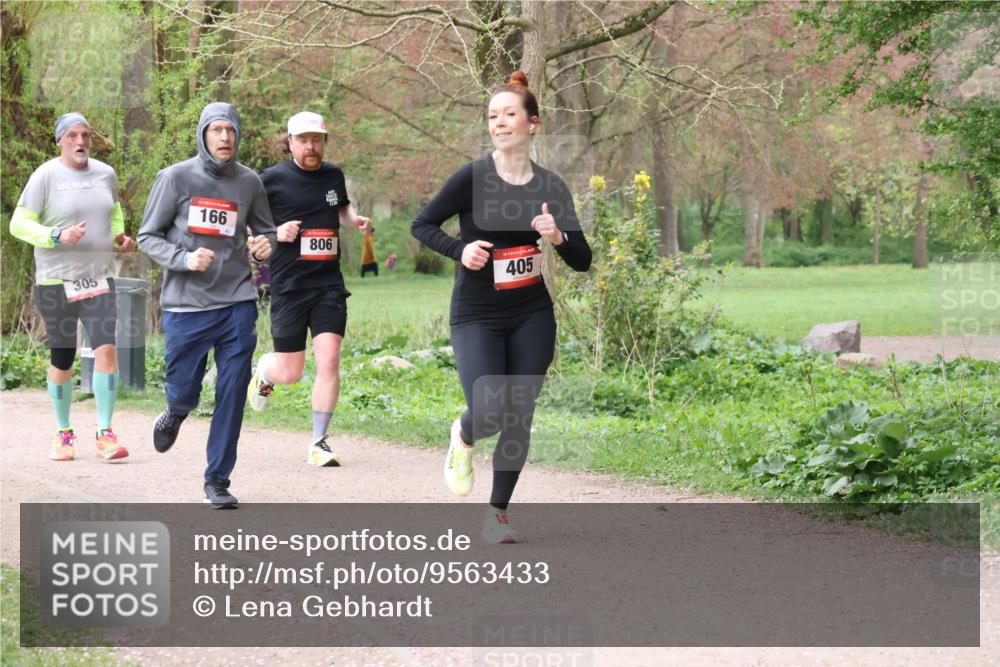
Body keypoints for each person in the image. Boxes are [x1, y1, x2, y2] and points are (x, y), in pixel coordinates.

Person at [411, 72, 592, 542]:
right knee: (489, 411)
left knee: (520, 413)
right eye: (492, 116)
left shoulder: (550, 185)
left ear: (532, 124)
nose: (499, 123)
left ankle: (497, 513)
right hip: (477, 313)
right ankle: (465, 435)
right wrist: (459, 250)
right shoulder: (472, 177)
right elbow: (423, 223)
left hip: (531, 311)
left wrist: (557, 237)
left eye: (509, 114)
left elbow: (582, 259)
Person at [138, 102, 276, 508]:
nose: (225, 138)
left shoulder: (250, 182)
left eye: (231, 130)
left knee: (232, 391)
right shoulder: (175, 178)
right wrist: (184, 259)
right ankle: (176, 411)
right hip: (186, 305)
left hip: (237, 300)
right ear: (203, 134)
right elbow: (148, 236)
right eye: (216, 130)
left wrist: (266, 246)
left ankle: (217, 479)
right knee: (185, 391)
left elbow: (266, 230)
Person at [247, 111, 372, 467]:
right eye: (303, 140)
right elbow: (247, 223)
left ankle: (319, 442)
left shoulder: (333, 175)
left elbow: (341, 210)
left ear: (324, 142)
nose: (311, 146)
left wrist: (354, 221)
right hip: (289, 285)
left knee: (330, 358)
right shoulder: (269, 180)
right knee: (291, 372)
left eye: (317, 140)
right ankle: (266, 372)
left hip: (328, 283)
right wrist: (276, 232)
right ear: (290, 143)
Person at [10, 112, 133, 463]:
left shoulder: (105, 173)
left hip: (98, 277)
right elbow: (19, 223)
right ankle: (64, 432)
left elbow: (114, 210)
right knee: (62, 359)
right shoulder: (45, 176)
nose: (81, 142)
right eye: (73, 136)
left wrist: (120, 236)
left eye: (86, 135)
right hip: (56, 280)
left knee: (106, 350)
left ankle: (105, 432)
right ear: (60, 140)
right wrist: (55, 235)